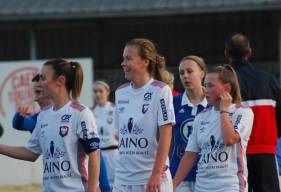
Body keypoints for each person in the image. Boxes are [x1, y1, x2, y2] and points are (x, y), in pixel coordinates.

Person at [0, 58, 100, 192]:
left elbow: (95, 155)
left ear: (60, 81)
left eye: (43, 78)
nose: (40, 83)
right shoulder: (43, 115)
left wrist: (92, 190)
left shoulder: (81, 113)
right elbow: (31, 153)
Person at [173, 65, 254, 191]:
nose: (205, 90)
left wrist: (224, 111)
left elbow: (229, 140)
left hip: (230, 186)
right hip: (202, 187)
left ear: (226, 88)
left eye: (210, 86)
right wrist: (173, 185)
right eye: (205, 85)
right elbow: (190, 155)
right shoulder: (201, 117)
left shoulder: (243, 112)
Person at [113, 38, 175, 192]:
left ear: (145, 62)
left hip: (151, 180)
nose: (123, 63)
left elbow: (166, 136)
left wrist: (155, 173)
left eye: (128, 58)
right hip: (122, 180)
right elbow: (119, 135)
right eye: (123, 59)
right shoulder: (120, 92)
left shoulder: (161, 90)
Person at [224, 32, 281, 192]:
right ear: (249, 52)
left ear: (226, 54)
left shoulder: (223, 83)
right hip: (265, 152)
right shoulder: (269, 80)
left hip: (234, 153)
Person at [170, 55, 208, 192]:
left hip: (207, 176)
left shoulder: (214, 104)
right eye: (181, 73)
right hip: (179, 177)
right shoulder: (172, 103)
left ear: (202, 73)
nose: (185, 76)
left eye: (190, 71)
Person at [92, 80, 118, 188]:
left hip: (114, 153)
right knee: (101, 186)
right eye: (95, 91)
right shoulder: (90, 112)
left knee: (117, 186)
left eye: (100, 91)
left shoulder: (115, 109)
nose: (98, 94)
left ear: (107, 92)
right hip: (98, 155)